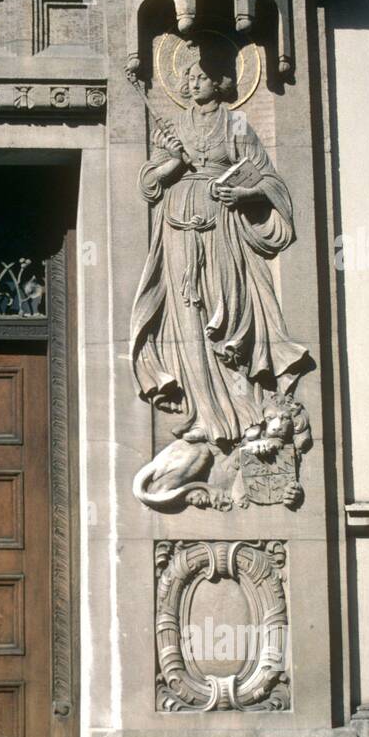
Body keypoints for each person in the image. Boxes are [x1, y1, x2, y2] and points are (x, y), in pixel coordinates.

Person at [130, 50, 309, 449]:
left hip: (223, 228)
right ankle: (205, 416)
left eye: (203, 76)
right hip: (178, 228)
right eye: (190, 76)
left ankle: (248, 413)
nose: (194, 82)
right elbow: (148, 183)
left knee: (226, 317)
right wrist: (172, 162)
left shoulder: (237, 123)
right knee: (186, 320)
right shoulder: (173, 125)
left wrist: (243, 193)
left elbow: (268, 178)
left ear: (222, 83)